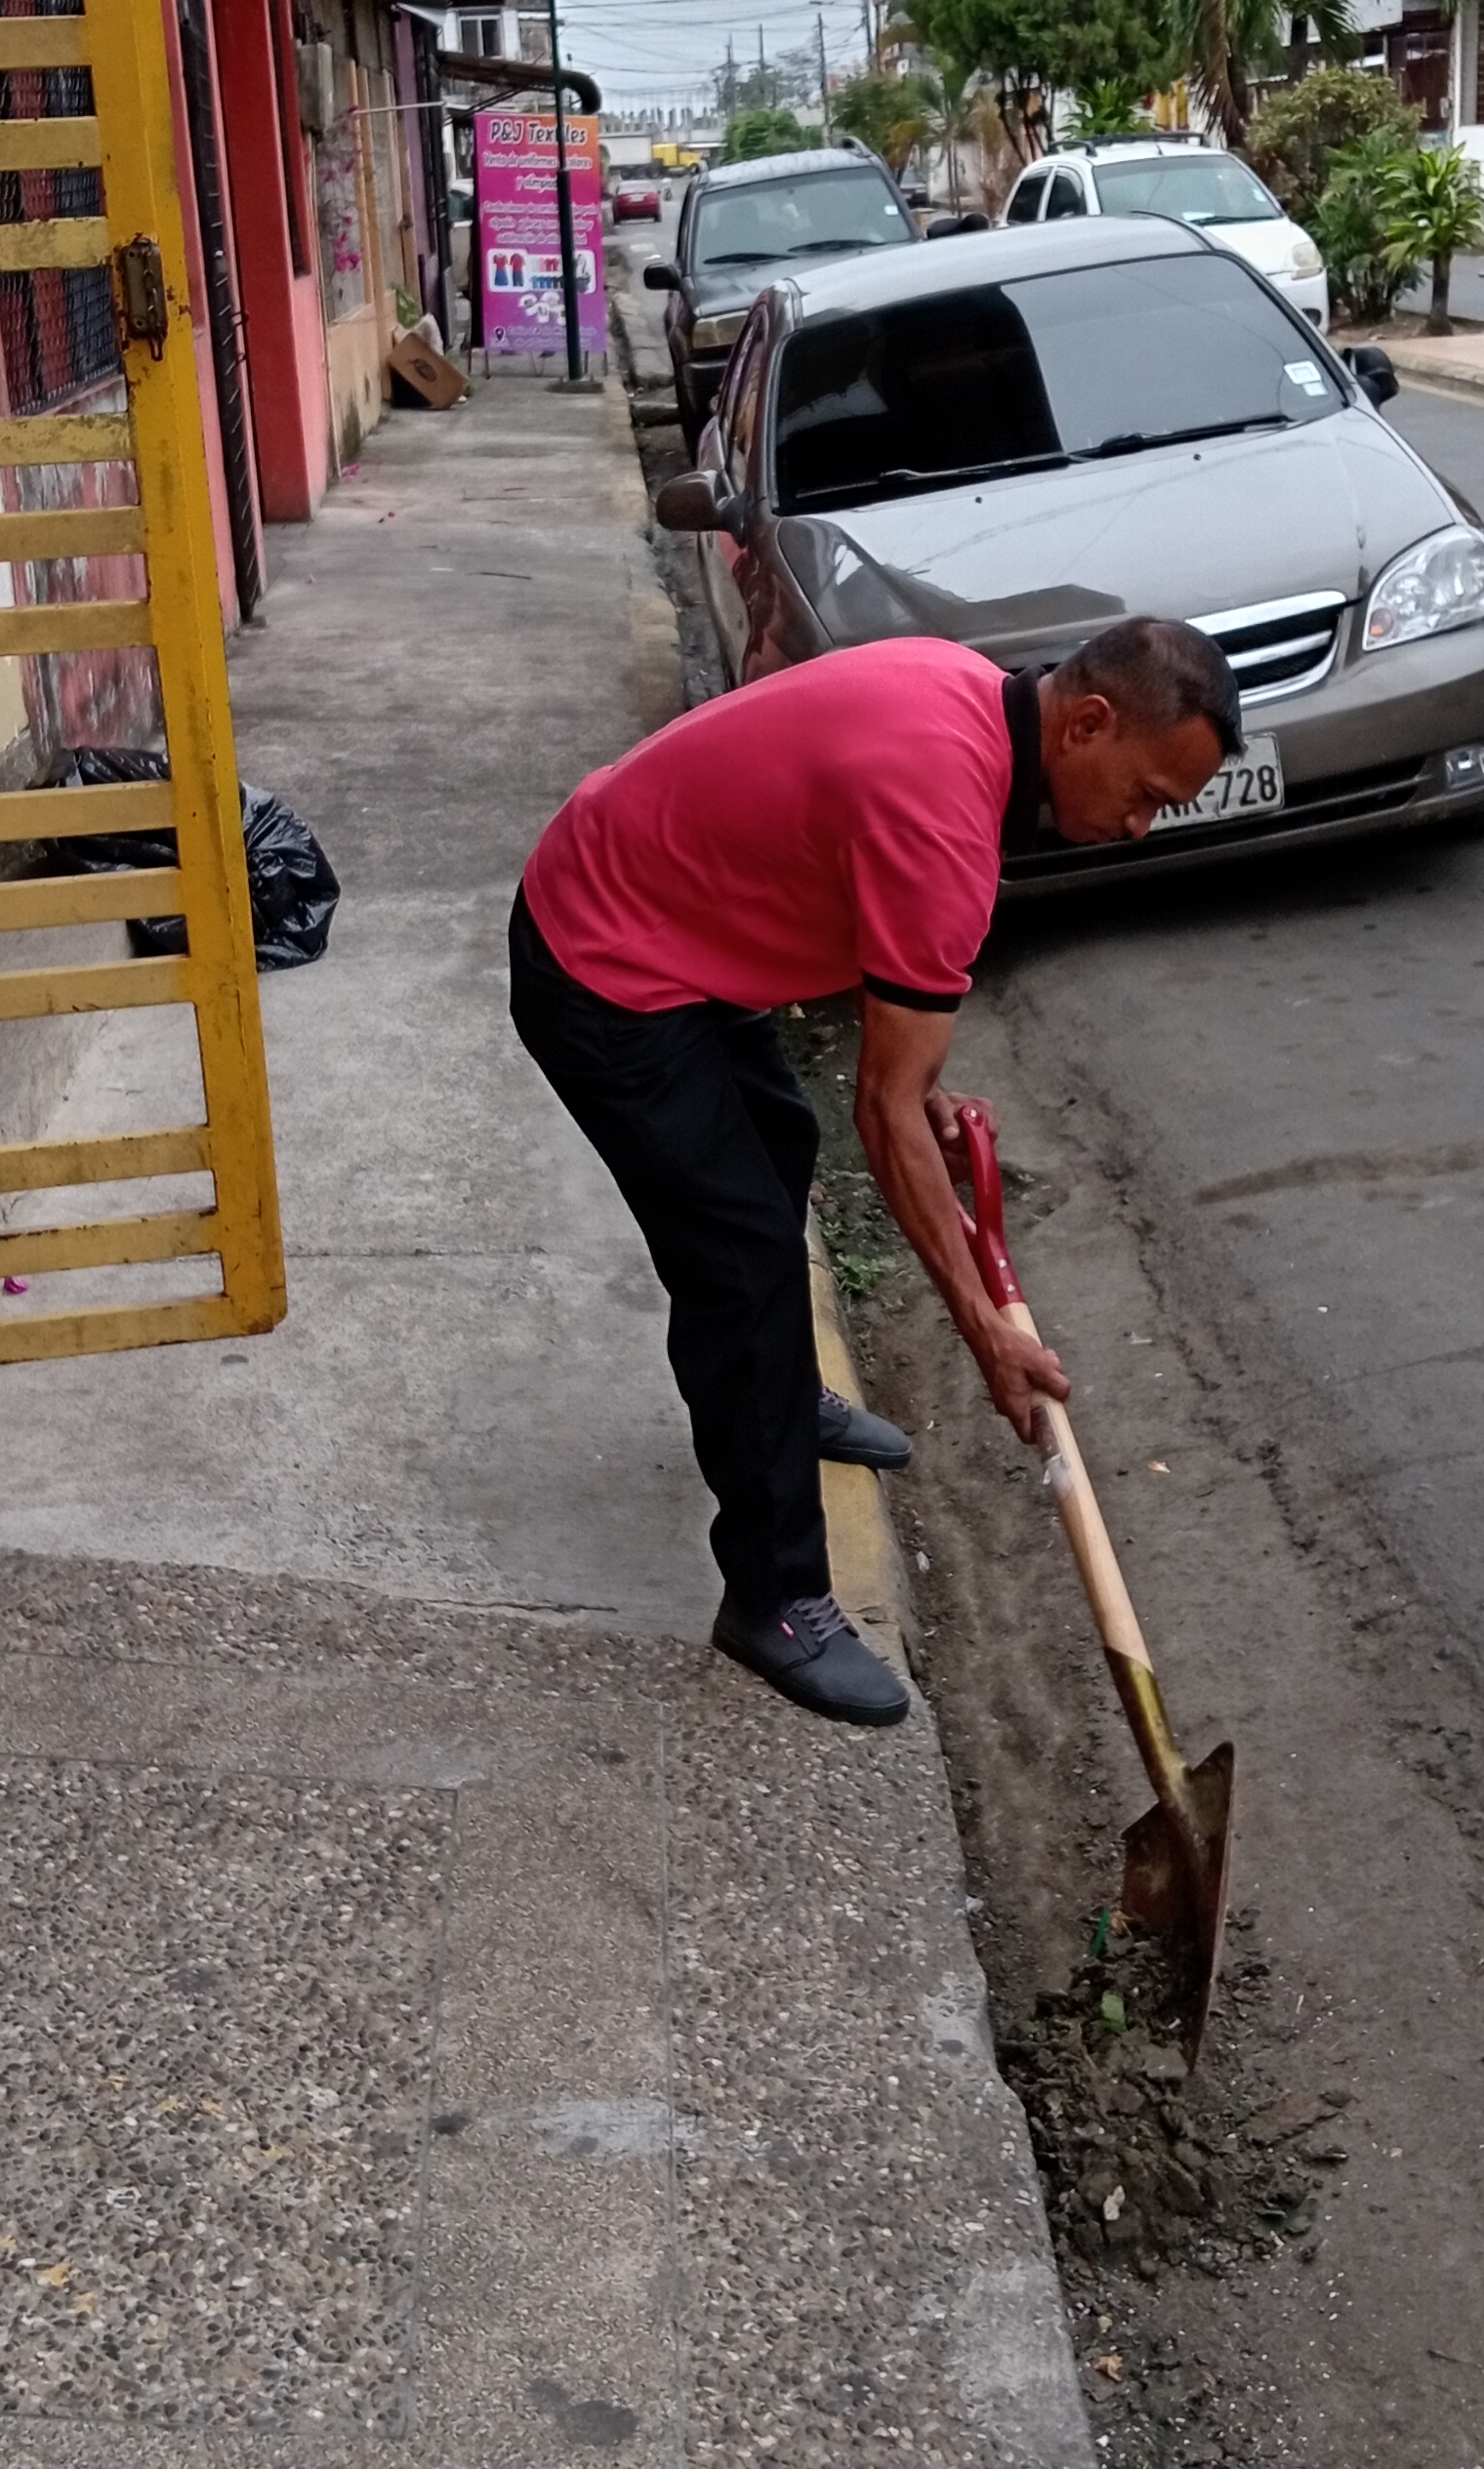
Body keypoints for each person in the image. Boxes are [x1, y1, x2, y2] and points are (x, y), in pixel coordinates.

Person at [510, 617, 1240, 1723]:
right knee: (742, 1259)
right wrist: (987, 1333)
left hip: (663, 907)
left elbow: (849, 876)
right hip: (602, 960)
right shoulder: (947, 817)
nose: (1138, 826)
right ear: (1086, 722)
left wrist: (916, 1080)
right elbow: (884, 1118)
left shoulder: (966, 695)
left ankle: (781, 1400)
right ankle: (774, 1600)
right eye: (1144, 795)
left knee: (778, 1146)